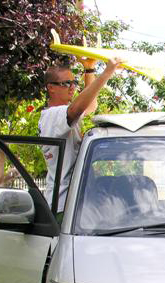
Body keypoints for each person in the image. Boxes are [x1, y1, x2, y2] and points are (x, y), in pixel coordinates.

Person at [39, 57, 122, 215]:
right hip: (62, 206)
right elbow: (76, 109)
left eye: (73, 83)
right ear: (51, 88)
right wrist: (107, 72)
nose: (72, 88)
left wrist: (89, 70)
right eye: (66, 83)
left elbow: (90, 105)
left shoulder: (63, 115)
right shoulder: (51, 116)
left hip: (74, 204)